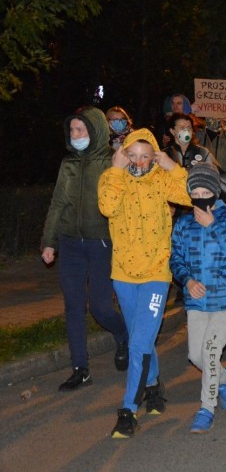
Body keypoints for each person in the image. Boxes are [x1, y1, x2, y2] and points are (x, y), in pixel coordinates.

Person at [97, 128, 192, 438]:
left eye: (145, 156)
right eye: (132, 155)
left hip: (155, 274)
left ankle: (128, 409)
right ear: (123, 154)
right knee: (143, 338)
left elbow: (191, 194)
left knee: (138, 342)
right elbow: (107, 208)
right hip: (123, 274)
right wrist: (115, 169)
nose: (138, 161)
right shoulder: (114, 178)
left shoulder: (162, 180)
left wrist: (173, 167)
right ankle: (152, 386)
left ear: (154, 157)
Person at [41, 106, 129, 392]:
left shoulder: (113, 162)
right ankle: (80, 368)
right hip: (70, 244)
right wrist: (49, 242)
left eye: (81, 129)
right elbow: (57, 204)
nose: (75, 134)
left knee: (102, 308)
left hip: (101, 243)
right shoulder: (68, 163)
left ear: (95, 130)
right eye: (72, 130)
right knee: (74, 307)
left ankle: (123, 335)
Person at [170, 163, 226, 433]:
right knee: (196, 355)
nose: (201, 197)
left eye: (206, 191)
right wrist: (187, 281)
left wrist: (213, 225)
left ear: (214, 191)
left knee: (211, 353)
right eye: (196, 192)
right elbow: (175, 259)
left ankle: (206, 408)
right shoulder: (183, 223)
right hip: (196, 300)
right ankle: (225, 378)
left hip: (223, 298)